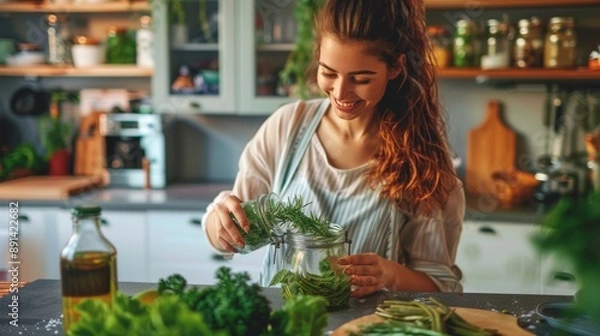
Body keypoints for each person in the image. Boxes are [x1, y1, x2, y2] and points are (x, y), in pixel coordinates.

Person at [202, 0, 465, 297]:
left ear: (395, 68)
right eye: (328, 73)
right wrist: (219, 223)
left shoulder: (421, 155)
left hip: (366, 326)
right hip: (284, 323)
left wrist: (388, 274)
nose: (341, 93)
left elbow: (441, 284)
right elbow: (233, 234)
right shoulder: (287, 127)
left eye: (361, 79)